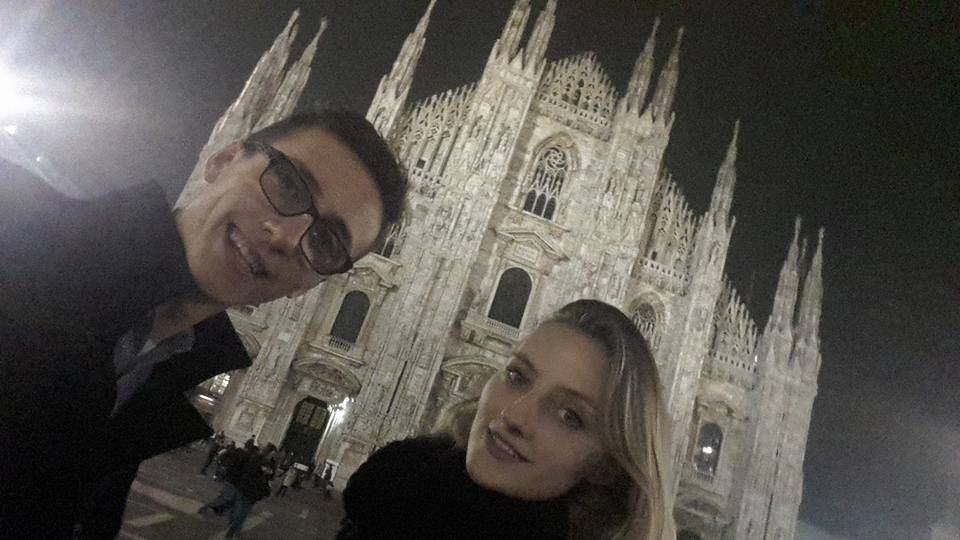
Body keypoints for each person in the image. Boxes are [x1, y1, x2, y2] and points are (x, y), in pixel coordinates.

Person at [0, 109, 407, 538]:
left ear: (311, 285)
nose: (286, 237)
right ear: (222, 159)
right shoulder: (15, 231)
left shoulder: (160, 373)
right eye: (289, 185)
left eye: (326, 242)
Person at [337, 300, 676, 539]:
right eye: (517, 376)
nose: (514, 416)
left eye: (569, 415)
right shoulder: (392, 492)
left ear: (607, 465)